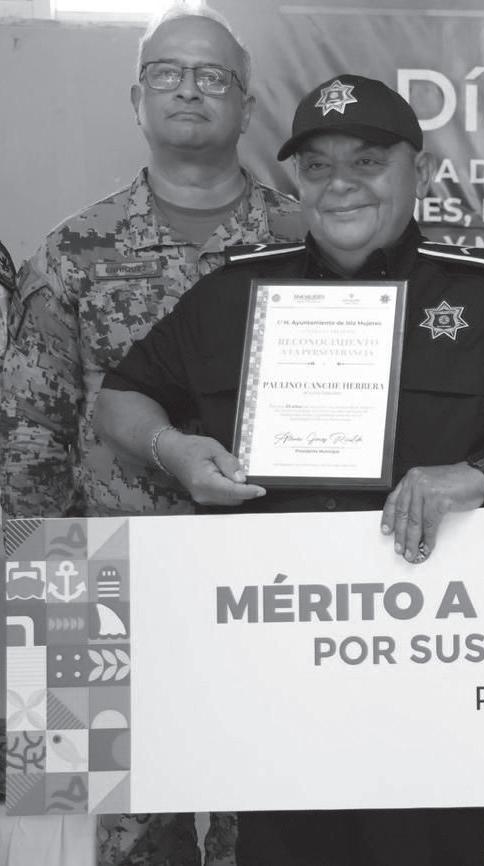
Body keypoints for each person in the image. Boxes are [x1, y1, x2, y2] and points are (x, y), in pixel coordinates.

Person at [92, 72, 484, 866]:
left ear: (424, 172)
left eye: (369, 162)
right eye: (317, 167)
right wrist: (171, 449)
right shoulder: (234, 292)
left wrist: (478, 474)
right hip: (271, 666)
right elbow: (121, 398)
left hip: (430, 669)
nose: (340, 184)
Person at [0, 7, 301, 864]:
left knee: (271, 820)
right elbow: (30, 435)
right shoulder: (73, 252)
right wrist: (37, 600)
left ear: (247, 106)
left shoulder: (302, 241)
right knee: (127, 833)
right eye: (167, 73)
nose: (188, 90)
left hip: (272, 581)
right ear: (137, 99)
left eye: (213, 76)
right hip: (105, 581)